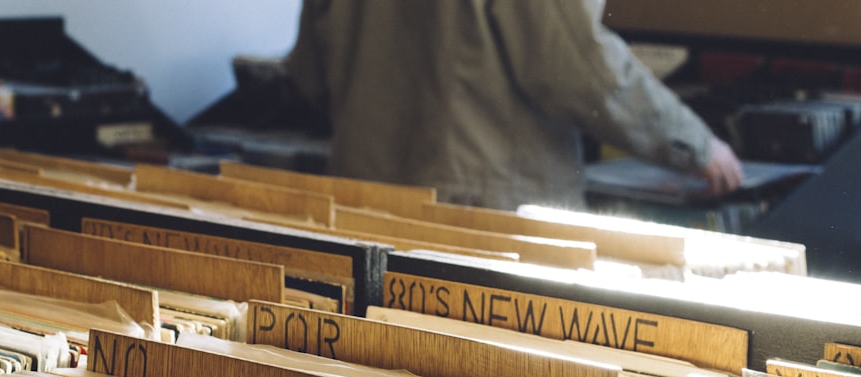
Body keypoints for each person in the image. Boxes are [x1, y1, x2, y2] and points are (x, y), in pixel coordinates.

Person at [284, 0, 744, 211]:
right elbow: (579, 68)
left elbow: (309, 71)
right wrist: (696, 144)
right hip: (482, 211)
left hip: (362, 197)